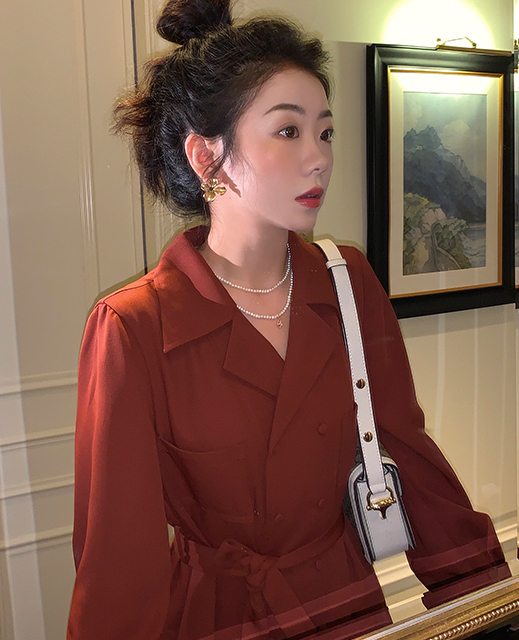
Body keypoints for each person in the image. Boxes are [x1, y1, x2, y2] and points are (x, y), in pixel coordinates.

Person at [67, 1, 510, 638]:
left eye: (325, 133)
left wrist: (488, 604)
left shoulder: (346, 281)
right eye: (287, 131)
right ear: (206, 156)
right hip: (220, 617)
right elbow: (118, 560)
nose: (318, 157)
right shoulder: (134, 327)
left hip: (347, 605)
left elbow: (410, 458)